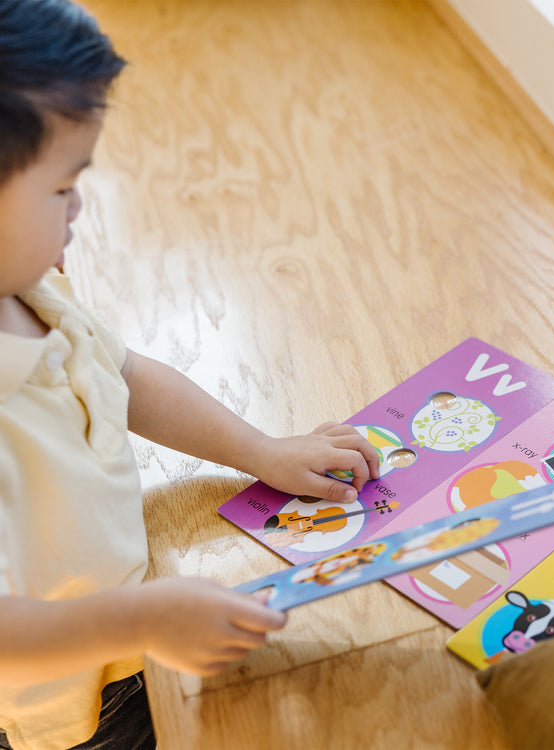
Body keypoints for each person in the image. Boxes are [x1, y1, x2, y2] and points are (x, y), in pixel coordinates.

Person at [0, 1, 380, 748]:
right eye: (61, 188)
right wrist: (144, 619)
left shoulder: (31, 287)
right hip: (78, 702)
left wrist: (263, 450)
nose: (80, 209)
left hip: (134, 622)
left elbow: (128, 378)